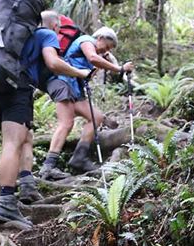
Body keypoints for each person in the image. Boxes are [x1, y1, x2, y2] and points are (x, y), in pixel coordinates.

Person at [0, 11, 93, 226]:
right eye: (59, 28)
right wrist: (80, 73)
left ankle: (27, 185)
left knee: (26, 137)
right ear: (55, 25)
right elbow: (53, 63)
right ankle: (6, 204)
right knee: (13, 142)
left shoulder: (15, 34)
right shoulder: (46, 35)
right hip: (17, 89)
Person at [40, 26, 134, 178]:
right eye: (107, 46)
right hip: (63, 82)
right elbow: (92, 58)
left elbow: (88, 74)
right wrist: (119, 68)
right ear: (100, 38)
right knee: (66, 123)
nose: (106, 51)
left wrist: (102, 63)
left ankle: (79, 157)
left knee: (96, 117)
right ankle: (48, 166)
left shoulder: (95, 52)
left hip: (75, 89)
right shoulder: (86, 41)